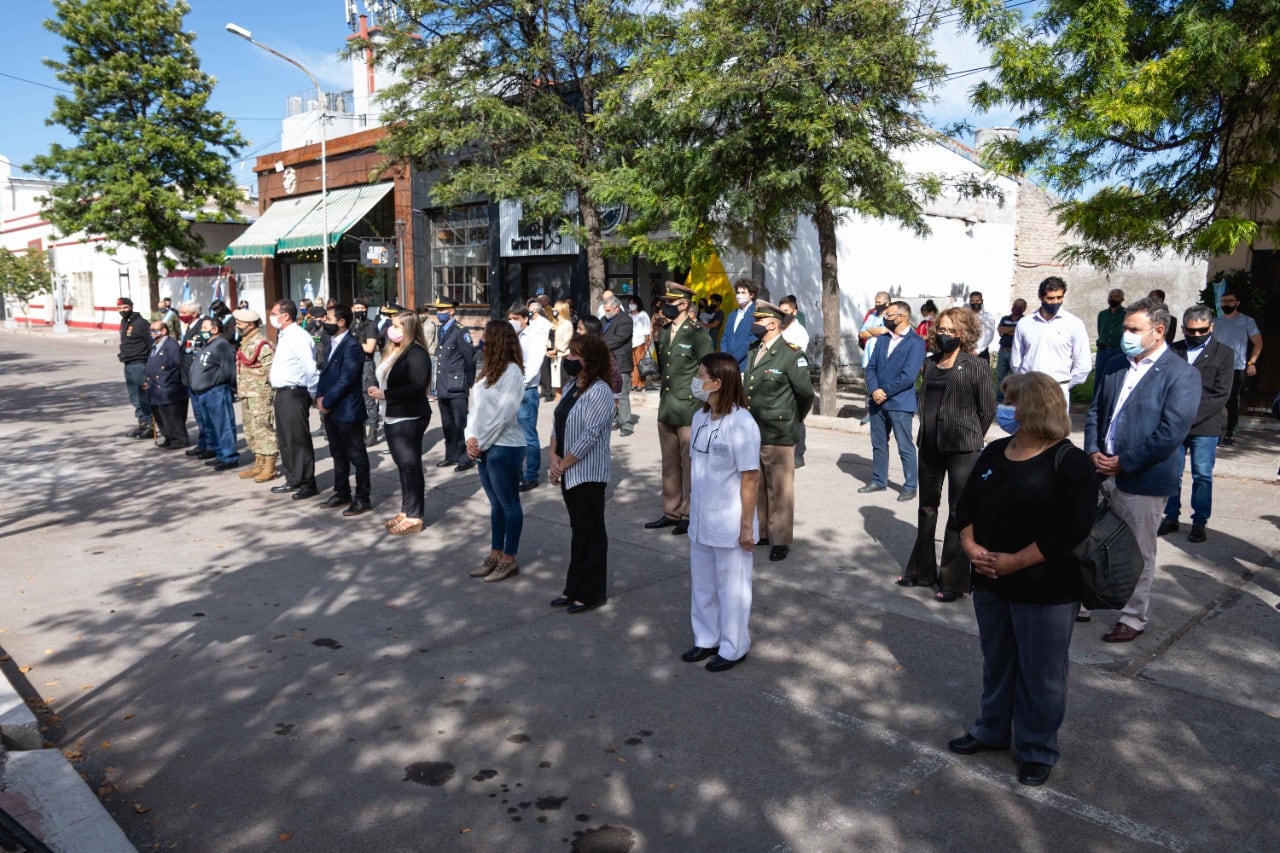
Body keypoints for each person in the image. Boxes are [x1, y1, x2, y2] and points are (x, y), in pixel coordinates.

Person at [949, 371, 1100, 788]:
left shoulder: (1069, 462)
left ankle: (1037, 748)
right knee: (998, 663)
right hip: (991, 581)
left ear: (1034, 408)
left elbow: (1072, 529)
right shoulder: (996, 451)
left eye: (1011, 402)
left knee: (1042, 673)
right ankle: (992, 729)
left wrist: (1017, 560)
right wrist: (970, 545)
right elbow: (966, 505)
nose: (1005, 409)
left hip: (1046, 587)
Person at [1083, 297, 1200, 641]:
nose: (1126, 335)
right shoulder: (1116, 364)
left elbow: (1171, 432)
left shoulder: (1182, 374)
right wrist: (1093, 451)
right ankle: (1087, 598)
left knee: (1139, 550)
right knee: (1089, 539)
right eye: (1125, 329)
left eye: (1134, 330)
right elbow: (1094, 413)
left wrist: (1125, 462)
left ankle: (1132, 617)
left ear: (1159, 332)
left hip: (1143, 478)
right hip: (1101, 470)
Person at [901, 307, 996, 600]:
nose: (944, 335)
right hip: (930, 446)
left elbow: (988, 408)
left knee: (959, 512)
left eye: (951, 331)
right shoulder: (930, 364)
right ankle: (922, 570)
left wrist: (972, 434)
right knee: (927, 508)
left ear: (964, 334)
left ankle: (953, 579)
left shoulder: (976, 365)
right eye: (940, 330)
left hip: (963, 449)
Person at [683, 352, 762, 672]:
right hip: (702, 518)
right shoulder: (701, 417)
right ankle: (706, 638)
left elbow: (750, 477)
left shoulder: (742, 423)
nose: (696, 381)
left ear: (718, 382)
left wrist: (747, 526)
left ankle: (733, 646)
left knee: (732, 587)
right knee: (702, 583)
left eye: (701, 376)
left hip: (730, 521)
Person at [548, 334, 616, 613]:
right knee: (578, 532)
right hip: (567, 470)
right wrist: (553, 457)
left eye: (576, 355)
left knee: (592, 532)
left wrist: (562, 464)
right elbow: (557, 425)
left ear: (591, 359)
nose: (569, 359)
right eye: (569, 354)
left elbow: (589, 436)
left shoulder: (600, 391)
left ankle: (592, 592)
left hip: (588, 473)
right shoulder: (570, 386)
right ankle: (573, 587)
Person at [743, 302, 814, 561]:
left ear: (772, 323)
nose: (755, 325)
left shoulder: (791, 354)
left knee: (781, 489)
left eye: (759, 320)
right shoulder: (755, 350)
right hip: (755, 428)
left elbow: (805, 395)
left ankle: (781, 539)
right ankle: (763, 531)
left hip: (779, 431)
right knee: (758, 483)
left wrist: (792, 418)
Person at [1159, 306, 1234, 543]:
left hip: (1205, 426)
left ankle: (1199, 522)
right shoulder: (1174, 350)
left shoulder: (1224, 353)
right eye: (1192, 330)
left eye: (1202, 330)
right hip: (1175, 424)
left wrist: (1189, 417)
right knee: (1173, 474)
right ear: (1183, 329)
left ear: (1211, 327)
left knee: (1202, 475)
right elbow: (1164, 386)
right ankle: (1171, 516)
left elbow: (1221, 393)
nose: (1197, 334)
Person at [646, 283, 714, 536]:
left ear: (684, 305)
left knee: (689, 464)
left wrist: (702, 404)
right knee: (670, 464)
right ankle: (671, 511)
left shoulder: (697, 332)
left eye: (670, 303)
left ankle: (689, 512)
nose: (665, 307)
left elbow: (708, 370)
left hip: (688, 408)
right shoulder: (664, 332)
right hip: (667, 407)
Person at [465, 320, 528, 582]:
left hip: (504, 447)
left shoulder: (512, 373)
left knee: (509, 503)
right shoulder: (487, 371)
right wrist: (469, 437)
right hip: (483, 445)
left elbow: (504, 415)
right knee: (496, 505)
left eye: (487, 337)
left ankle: (509, 557)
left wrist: (482, 443)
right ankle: (495, 552)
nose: (482, 341)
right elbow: (475, 410)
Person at [369, 309, 433, 536]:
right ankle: (406, 510)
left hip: (409, 416)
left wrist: (386, 394)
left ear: (408, 328)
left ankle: (415, 516)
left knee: (410, 465)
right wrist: (380, 391)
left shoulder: (416, 353)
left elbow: (417, 386)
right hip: (392, 414)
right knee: (403, 466)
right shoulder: (394, 350)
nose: (391, 329)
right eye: (392, 325)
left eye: (397, 326)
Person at [860, 300, 926, 500]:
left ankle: (910, 485)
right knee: (878, 443)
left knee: (904, 444)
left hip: (899, 402)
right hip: (877, 401)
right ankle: (879, 480)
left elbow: (908, 376)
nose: (884, 318)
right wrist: (873, 390)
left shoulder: (916, 343)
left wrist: (884, 392)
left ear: (902, 317)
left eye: (888, 315)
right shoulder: (882, 339)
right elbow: (870, 367)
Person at [315, 304, 372, 516]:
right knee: (338, 453)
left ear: (341, 322)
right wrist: (319, 397)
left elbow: (347, 378)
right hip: (331, 409)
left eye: (329, 318)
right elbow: (325, 372)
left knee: (356, 455)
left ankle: (363, 498)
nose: (324, 321)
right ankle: (341, 492)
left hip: (347, 410)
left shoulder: (352, 346)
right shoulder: (330, 342)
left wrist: (327, 401)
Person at [268, 299, 320, 500]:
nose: (272, 317)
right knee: (285, 439)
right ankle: (293, 478)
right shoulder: (284, 335)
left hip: (295, 392)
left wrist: (314, 394)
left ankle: (308, 482)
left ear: (285, 315)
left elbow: (310, 368)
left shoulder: (299, 336)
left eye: (274, 313)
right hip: (281, 393)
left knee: (298, 439)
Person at [1010, 276, 1091, 404]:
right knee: (1027, 424)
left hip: (1058, 390)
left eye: (1059, 298)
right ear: (1040, 297)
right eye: (1050, 298)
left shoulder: (1074, 324)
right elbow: (1016, 360)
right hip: (1029, 389)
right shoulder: (1025, 323)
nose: (1055, 302)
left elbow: (1084, 364)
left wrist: (1064, 385)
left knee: (1055, 425)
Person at [233, 309, 279, 483]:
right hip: (247, 392)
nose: (237, 325)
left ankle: (270, 466)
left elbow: (270, 371)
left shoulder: (262, 344)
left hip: (260, 394)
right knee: (251, 430)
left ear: (250, 325)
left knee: (263, 429)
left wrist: (270, 394)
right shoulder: (246, 342)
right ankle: (259, 462)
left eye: (240, 323)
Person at [188, 317, 240, 471]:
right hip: (203, 391)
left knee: (223, 426)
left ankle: (229, 456)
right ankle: (220, 454)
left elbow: (229, 369)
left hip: (216, 391)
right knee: (211, 426)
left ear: (215, 329)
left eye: (204, 328)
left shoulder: (221, 345)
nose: (201, 331)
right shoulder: (208, 344)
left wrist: (229, 387)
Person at [1213, 290, 1263, 446]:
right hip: (1215, 367)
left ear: (1237, 303)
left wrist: (1251, 362)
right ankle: (1212, 432)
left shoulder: (1247, 321)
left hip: (1236, 367)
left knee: (1232, 401)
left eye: (1230, 301)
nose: (1226, 304)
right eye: (1224, 301)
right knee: (1213, 400)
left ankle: (1230, 433)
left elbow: (1258, 343)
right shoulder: (1215, 322)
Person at [433, 296, 478, 471]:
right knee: (448, 424)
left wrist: (468, 382)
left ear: (451, 311)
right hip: (443, 385)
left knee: (461, 425)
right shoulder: (441, 331)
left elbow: (470, 359)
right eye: (438, 310)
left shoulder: (461, 331)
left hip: (457, 385)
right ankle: (451, 455)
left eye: (442, 310)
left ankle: (465, 458)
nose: (439, 313)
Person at [508, 303, 547, 490]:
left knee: (528, 435)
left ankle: (531, 475)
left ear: (525, 319)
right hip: (509, 390)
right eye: (510, 318)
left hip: (526, 391)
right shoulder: (510, 337)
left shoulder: (534, 336)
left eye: (515, 319)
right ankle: (517, 474)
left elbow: (533, 365)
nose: (512, 322)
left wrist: (518, 382)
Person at [143, 320, 188, 448]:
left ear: (163, 331)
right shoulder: (155, 344)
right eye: (151, 330)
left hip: (168, 386)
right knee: (160, 415)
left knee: (171, 416)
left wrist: (171, 381)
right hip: (155, 387)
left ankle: (179, 439)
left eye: (155, 330)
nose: (152, 333)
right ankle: (169, 437)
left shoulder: (171, 345)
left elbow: (178, 365)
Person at [117, 297, 153, 439]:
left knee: (143, 396)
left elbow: (150, 343)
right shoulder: (124, 322)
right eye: (120, 308)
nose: (123, 311)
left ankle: (151, 424)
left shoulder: (141, 323)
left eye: (125, 308)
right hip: (128, 363)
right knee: (134, 397)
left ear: (131, 307)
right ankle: (142, 422)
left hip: (140, 363)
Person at [599, 295, 635, 436]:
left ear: (616, 308)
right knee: (608, 393)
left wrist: (599, 344)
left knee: (622, 394)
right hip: (606, 362)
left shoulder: (625, 320)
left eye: (608, 310)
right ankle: (612, 420)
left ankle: (626, 424)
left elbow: (619, 338)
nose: (606, 312)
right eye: (605, 310)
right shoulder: (604, 320)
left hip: (620, 363)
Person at [177, 301, 207, 458]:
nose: (181, 316)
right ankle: (203, 443)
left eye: (183, 313)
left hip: (199, 378)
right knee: (198, 414)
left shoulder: (203, 326)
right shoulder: (188, 327)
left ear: (194, 313)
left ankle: (209, 445)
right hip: (189, 377)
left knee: (204, 414)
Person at [858, 292, 892, 424]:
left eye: (879, 302)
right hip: (868, 358)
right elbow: (862, 333)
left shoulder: (890, 316)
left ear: (887, 303)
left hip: (883, 358)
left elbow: (885, 331)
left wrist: (871, 331)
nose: (876, 305)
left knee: (882, 386)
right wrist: (876, 331)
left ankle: (883, 414)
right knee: (869, 386)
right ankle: (870, 413)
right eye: (876, 302)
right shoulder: (872, 316)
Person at [352, 298, 383, 445]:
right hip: (352, 365)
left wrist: (353, 342)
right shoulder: (351, 325)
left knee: (368, 400)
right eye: (356, 307)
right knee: (356, 400)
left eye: (361, 307)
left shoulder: (371, 325)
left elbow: (370, 348)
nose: (359, 310)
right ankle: (361, 431)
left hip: (365, 364)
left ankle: (373, 431)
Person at [720, 278, 758, 371]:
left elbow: (751, 341)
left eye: (743, 292)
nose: (739, 295)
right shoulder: (732, 314)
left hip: (744, 365)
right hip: (728, 364)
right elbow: (725, 337)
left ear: (752, 294)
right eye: (738, 292)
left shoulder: (756, 314)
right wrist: (725, 357)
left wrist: (733, 359)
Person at [995, 298, 1026, 402]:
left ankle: (1013, 400)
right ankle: (999, 400)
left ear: (1024, 309)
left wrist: (1007, 330)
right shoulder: (1005, 318)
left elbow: (1022, 333)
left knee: (1015, 378)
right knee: (1001, 377)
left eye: (1019, 307)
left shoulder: (1025, 321)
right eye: (1015, 305)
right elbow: (1000, 329)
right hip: (1003, 351)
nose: (1016, 308)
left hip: (1016, 353)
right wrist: (1014, 329)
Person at [547, 299, 574, 400]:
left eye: (555, 307)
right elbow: (550, 338)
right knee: (556, 383)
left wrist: (556, 350)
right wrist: (549, 349)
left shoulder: (567, 324)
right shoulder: (554, 323)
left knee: (563, 383)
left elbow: (566, 341)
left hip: (563, 357)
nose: (553, 309)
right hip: (554, 357)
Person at [1096, 288, 1125, 380]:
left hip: (1118, 350)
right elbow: (1100, 330)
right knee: (1099, 377)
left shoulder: (1126, 314)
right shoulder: (1102, 314)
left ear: (1121, 300)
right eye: (1110, 296)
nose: (1112, 299)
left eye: (1116, 297)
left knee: (1115, 377)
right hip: (1103, 350)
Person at [968, 291, 999, 363]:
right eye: (972, 301)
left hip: (981, 352)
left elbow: (989, 336)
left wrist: (977, 351)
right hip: (966, 351)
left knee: (981, 373)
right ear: (970, 302)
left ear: (982, 301)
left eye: (977, 300)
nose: (975, 303)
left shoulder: (988, 316)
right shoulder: (966, 316)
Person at [629, 295, 652, 392]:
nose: (631, 305)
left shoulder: (643, 314)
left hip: (640, 342)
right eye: (630, 303)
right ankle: (635, 383)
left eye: (633, 303)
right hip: (630, 343)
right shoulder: (628, 315)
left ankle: (641, 383)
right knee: (633, 364)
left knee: (640, 364)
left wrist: (647, 344)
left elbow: (647, 330)